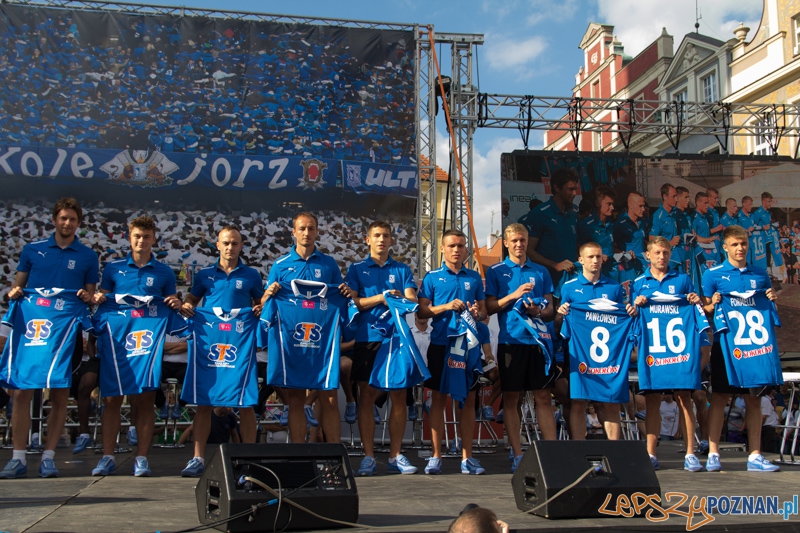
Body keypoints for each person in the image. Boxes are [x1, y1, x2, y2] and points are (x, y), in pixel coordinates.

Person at [0, 198, 98, 479]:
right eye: (63, 218)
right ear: (54, 220)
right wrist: (15, 293)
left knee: (58, 392)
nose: (67, 223)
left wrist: (85, 297)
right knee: (21, 391)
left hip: (64, 331)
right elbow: (16, 288)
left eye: (72, 219)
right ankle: (18, 457)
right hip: (33, 327)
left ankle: (49, 456)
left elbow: (90, 298)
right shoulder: (33, 250)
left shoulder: (87, 256)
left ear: (79, 223)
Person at [91, 215, 181, 477]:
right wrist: (100, 298)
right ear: (129, 238)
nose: (142, 241)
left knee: (145, 400)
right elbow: (104, 299)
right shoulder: (112, 268)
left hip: (147, 343)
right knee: (112, 400)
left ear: (154, 239)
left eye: (147, 236)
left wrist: (174, 302)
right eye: (137, 236)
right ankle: (108, 455)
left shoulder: (164, 272)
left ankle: (141, 457)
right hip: (118, 342)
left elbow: (170, 301)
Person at [178, 226, 264, 477]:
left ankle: (249, 457)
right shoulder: (205, 275)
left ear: (241, 246)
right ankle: (197, 457)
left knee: (246, 402)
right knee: (205, 402)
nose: (230, 247)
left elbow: (260, 303)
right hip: (211, 344)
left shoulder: (251, 275)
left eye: (235, 243)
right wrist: (186, 305)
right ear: (217, 245)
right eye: (226, 243)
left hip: (240, 343)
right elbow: (192, 300)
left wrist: (259, 307)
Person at [261, 212, 350, 444]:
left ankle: (334, 453)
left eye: (311, 228)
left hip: (321, 345)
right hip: (294, 344)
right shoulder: (280, 265)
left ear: (317, 231)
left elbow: (338, 299)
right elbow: (265, 304)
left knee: (329, 398)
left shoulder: (329, 264)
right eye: (302, 228)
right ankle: (298, 453)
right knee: (296, 399)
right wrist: (267, 295)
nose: (307, 233)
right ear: (294, 232)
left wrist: (344, 294)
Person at [701, 225, 781, 472]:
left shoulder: (760, 274)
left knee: (753, 399)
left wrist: (772, 298)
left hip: (754, 347)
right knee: (720, 397)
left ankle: (755, 454)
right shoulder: (712, 275)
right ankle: (713, 452)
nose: (740, 248)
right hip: (725, 345)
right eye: (735, 244)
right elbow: (704, 310)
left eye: (743, 244)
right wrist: (711, 305)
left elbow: (768, 305)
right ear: (724, 247)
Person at [345, 221, 419, 476]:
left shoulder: (401, 269)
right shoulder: (356, 269)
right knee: (367, 395)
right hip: (368, 337)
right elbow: (353, 302)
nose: (381, 240)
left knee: (398, 395)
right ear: (368, 240)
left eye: (386, 236)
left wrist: (400, 298)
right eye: (376, 235)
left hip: (397, 337)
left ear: (391, 240)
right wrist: (381, 297)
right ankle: (368, 456)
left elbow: (412, 301)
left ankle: (396, 455)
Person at [485, 223, 557, 473]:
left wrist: (539, 310)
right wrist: (513, 295)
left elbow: (549, 310)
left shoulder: (541, 272)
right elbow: (490, 307)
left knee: (544, 398)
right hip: (511, 342)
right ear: (505, 243)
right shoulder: (496, 271)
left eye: (523, 240)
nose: (519, 244)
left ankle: (551, 452)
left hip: (537, 342)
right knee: (512, 398)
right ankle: (516, 453)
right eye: (514, 240)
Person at [417, 229, 488, 475]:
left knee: (468, 401)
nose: (456, 250)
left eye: (460, 245)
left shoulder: (475, 278)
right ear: (443, 249)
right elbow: (421, 312)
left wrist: (478, 313)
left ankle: (467, 457)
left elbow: (485, 314)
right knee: (438, 399)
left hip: (468, 346)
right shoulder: (432, 277)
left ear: (466, 249)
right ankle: (436, 455)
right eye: (451, 246)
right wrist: (446, 306)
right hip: (441, 345)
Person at [632, 236, 705, 471]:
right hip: (654, 351)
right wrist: (636, 303)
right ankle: (651, 453)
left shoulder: (683, 280)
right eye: (657, 253)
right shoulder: (639, 282)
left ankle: (691, 453)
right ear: (648, 255)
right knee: (652, 402)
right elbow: (633, 315)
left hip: (679, 351)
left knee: (685, 399)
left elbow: (697, 308)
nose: (662, 257)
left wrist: (695, 300)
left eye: (665, 252)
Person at [558, 242, 637, 441]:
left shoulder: (613, 287)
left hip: (608, 356)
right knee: (578, 400)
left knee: (609, 402)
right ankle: (579, 447)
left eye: (599, 256)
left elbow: (619, 320)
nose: (596, 260)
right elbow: (559, 323)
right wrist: (561, 315)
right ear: (580, 260)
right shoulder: (569, 287)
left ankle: (615, 448)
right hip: (580, 353)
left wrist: (629, 312)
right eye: (591, 257)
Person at [519, 167, 579, 286]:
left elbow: (575, 246)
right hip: (549, 283)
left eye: (575, 189)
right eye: (570, 189)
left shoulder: (573, 215)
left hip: (573, 281)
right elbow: (528, 250)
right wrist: (555, 265)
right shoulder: (540, 214)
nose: (574, 193)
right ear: (557, 188)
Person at [650, 183, 681, 270]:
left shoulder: (674, 213)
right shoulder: (658, 216)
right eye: (673, 196)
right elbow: (652, 240)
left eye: (676, 196)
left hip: (676, 257)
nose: (676, 199)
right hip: (665, 261)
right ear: (665, 197)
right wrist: (670, 243)